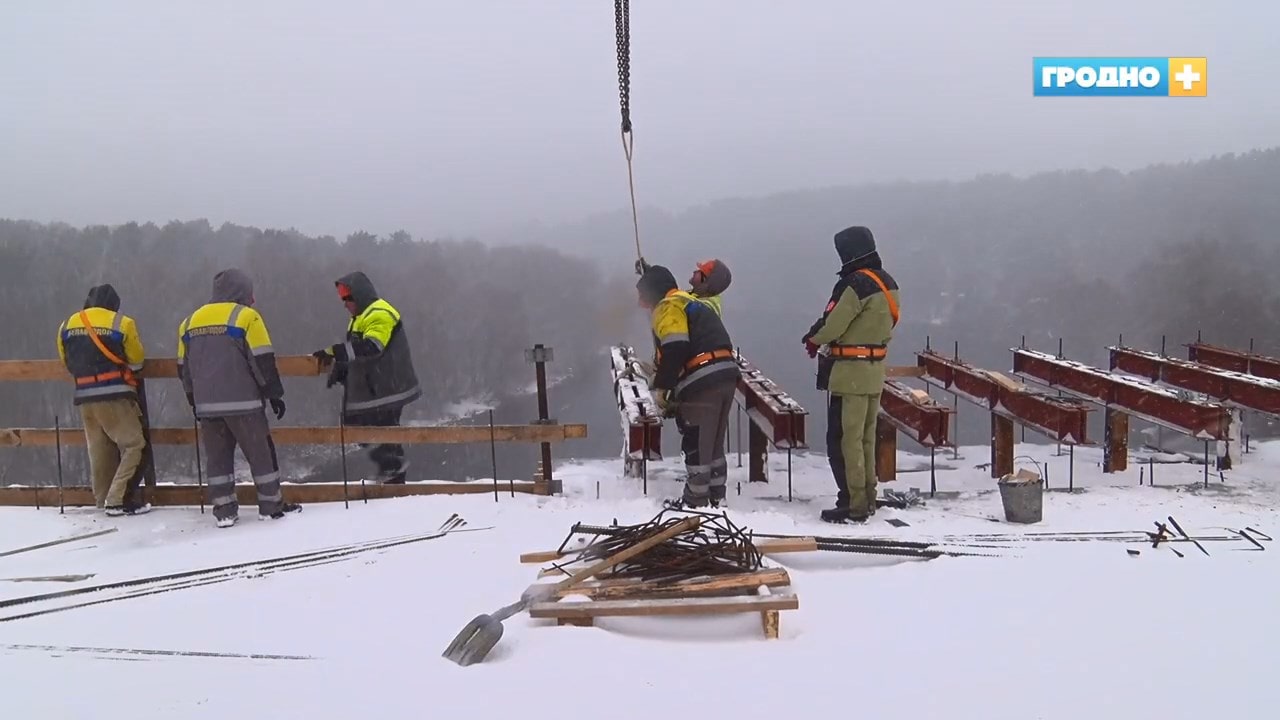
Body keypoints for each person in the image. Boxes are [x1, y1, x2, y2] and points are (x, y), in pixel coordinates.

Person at [177, 268, 300, 528]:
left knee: (218, 459)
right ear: (242, 292)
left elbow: (183, 368)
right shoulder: (246, 317)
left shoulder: (189, 322)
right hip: (244, 404)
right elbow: (262, 360)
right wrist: (274, 394)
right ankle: (270, 505)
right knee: (260, 456)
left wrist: (193, 399)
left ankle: (224, 510)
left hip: (207, 406)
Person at [802, 226, 901, 524]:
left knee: (845, 439)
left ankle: (852, 503)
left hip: (849, 374)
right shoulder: (887, 283)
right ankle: (867, 496)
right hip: (874, 371)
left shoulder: (854, 283)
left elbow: (833, 324)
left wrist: (813, 338)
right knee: (866, 438)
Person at [636, 264, 740, 508]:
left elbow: (676, 347)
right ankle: (716, 496)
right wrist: (650, 271)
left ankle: (695, 500)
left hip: (704, 378)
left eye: (643, 297)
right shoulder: (685, 299)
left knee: (696, 441)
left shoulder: (667, 307)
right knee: (712, 442)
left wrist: (664, 388)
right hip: (724, 374)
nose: (642, 304)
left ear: (652, 294)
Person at [314, 271, 421, 484]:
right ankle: (391, 470)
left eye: (347, 299)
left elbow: (373, 346)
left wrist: (336, 352)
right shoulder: (360, 318)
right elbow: (356, 350)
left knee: (382, 430)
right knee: (362, 427)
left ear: (359, 296)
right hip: (375, 387)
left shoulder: (380, 313)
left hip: (387, 387)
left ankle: (393, 473)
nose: (344, 304)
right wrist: (342, 368)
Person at [55, 284, 151, 516]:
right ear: (114, 305)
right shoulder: (122, 323)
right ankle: (117, 499)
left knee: (99, 448)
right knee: (135, 445)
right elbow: (137, 360)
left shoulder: (67, 325)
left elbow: (66, 361)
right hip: (114, 392)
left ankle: (103, 498)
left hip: (84, 395)